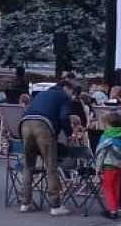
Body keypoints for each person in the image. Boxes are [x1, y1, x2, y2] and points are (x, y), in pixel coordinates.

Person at [17, 79, 77, 216]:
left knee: (28, 165)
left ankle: (25, 203)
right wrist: (69, 134)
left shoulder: (42, 94)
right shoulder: (64, 96)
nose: (73, 97)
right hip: (43, 126)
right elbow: (64, 117)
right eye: (73, 93)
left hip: (25, 124)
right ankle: (55, 205)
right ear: (67, 88)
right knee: (51, 167)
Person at [94, 109, 121, 220]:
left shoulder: (106, 136)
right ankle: (115, 208)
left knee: (108, 188)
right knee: (116, 188)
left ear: (108, 124)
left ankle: (112, 210)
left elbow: (101, 153)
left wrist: (98, 168)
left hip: (108, 165)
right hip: (119, 165)